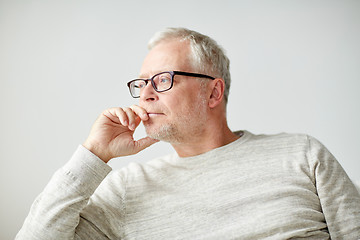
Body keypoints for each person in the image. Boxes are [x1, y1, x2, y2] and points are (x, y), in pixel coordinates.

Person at [16, 27, 360, 239]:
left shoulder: (303, 155)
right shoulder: (125, 189)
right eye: (142, 84)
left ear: (213, 92)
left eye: (163, 80)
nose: (146, 94)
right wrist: (93, 154)